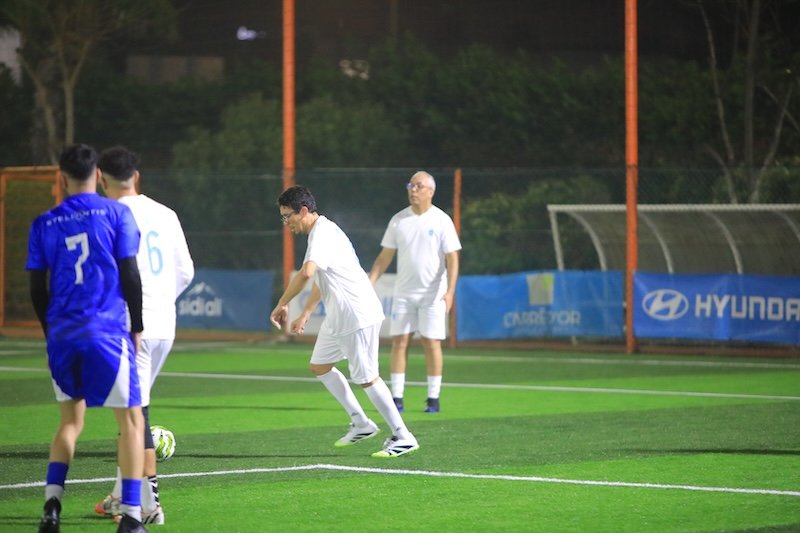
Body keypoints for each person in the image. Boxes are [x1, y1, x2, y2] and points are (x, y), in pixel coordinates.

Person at [27, 144, 149, 533]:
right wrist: (137, 326)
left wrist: (50, 334)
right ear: (97, 175)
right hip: (106, 331)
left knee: (69, 422)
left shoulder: (44, 222)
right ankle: (132, 516)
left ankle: (51, 507)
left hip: (63, 334)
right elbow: (130, 273)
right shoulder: (117, 213)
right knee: (131, 421)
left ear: (61, 178)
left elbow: (37, 288)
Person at [269, 185, 419, 458]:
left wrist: (283, 303)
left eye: (288, 216)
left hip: (356, 314)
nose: (286, 222)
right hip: (340, 317)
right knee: (320, 366)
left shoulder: (322, 233)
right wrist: (306, 312)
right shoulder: (323, 231)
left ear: (304, 211)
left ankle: (403, 436)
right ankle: (361, 423)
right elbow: (321, 277)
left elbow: (307, 273)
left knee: (367, 378)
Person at [94, 146, 195, 525]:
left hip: (128, 328)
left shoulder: (106, 214)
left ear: (101, 178)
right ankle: (121, 495)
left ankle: (148, 506)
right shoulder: (166, 213)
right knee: (134, 412)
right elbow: (186, 271)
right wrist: (160, 302)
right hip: (164, 325)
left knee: (134, 417)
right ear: (136, 176)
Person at [368, 171, 461, 414]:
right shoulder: (399, 220)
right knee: (400, 342)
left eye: (419, 186)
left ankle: (433, 398)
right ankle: (397, 398)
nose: (413, 190)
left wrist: (450, 291)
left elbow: (452, 258)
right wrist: (369, 283)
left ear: (431, 191)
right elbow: (384, 256)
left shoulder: (442, 220)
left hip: (433, 295)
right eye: (411, 185)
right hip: (404, 293)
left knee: (431, 343)